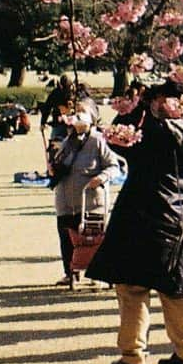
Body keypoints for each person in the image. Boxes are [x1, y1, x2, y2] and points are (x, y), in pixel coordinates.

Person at [87, 80, 183, 364]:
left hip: (146, 216)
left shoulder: (155, 133)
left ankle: (133, 356)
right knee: (176, 288)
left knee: (132, 287)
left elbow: (125, 145)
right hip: (182, 216)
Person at [50, 108, 120, 286]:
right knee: (67, 238)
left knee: (93, 239)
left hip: (90, 200)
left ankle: (98, 274)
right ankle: (70, 272)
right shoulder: (67, 142)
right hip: (65, 199)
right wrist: (52, 170)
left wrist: (101, 178)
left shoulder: (98, 140)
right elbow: (58, 165)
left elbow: (113, 166)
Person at [40, 74, 73, 143]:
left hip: (70, 123)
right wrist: (43, 122)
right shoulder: (56, 93)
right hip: (60, 123)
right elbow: (47, 108)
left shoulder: (73, 93)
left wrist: (43, 122)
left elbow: (47, 108)